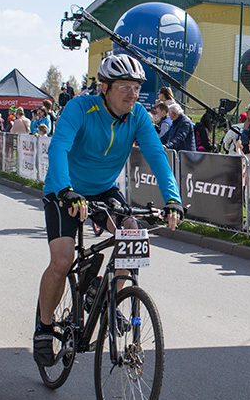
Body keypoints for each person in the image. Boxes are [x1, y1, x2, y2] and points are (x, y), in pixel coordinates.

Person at [34, 53, 184, 366]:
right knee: (62, 260)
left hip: (103, 189)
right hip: (65, 188)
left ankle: (104, 294)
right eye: (125, 87)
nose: (132, 94)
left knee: (132, 232)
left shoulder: (139, 117)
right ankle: (44, 328)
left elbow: (157, 156)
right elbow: (59, 146)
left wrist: (173, 198)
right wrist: (65, 189)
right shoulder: (80, 108)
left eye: (136, 87)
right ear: (105, 87)